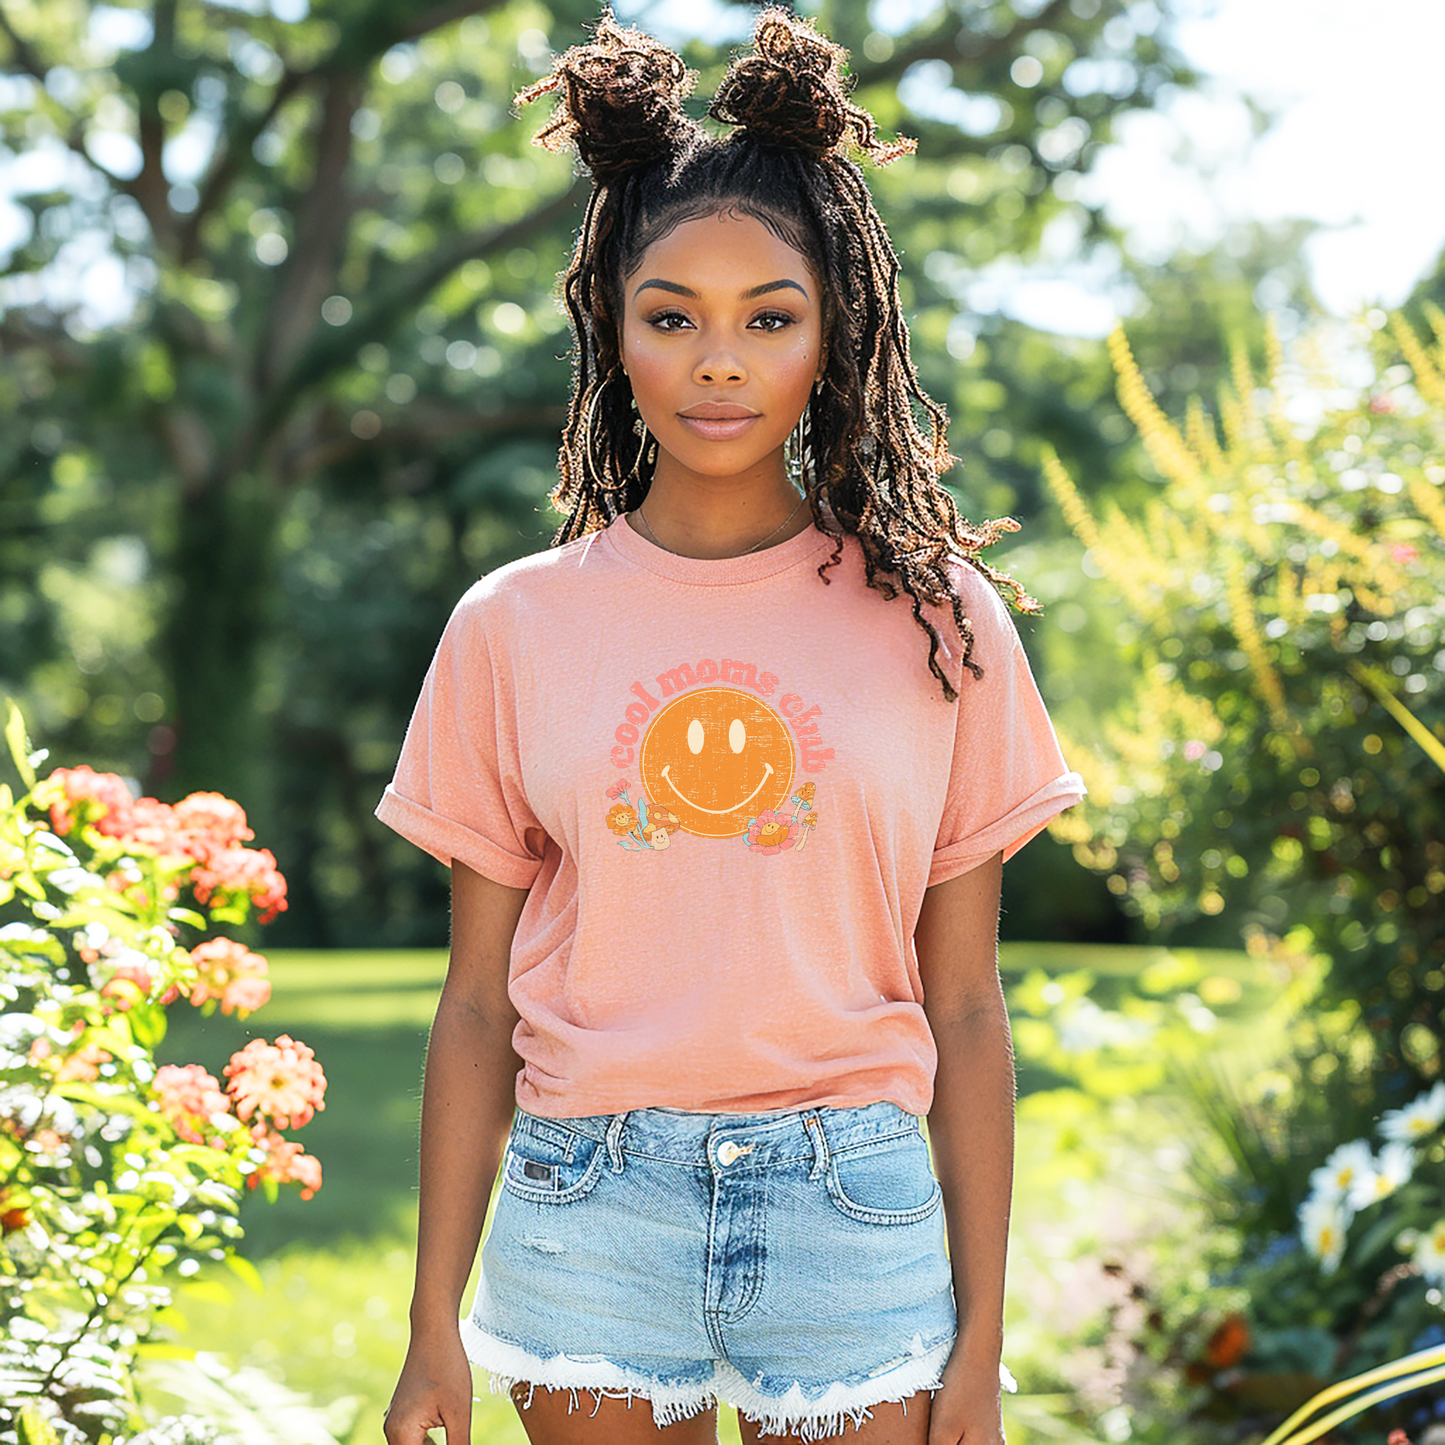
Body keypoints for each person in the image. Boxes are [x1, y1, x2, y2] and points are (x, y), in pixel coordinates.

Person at [377, 9, 1085, 1444]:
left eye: (770, 315)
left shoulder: (938, 620)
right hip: (589, 1202)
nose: (720, 359)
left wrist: (982, 1347)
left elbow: (963, 1006)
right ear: (612, 330)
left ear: (832, 334)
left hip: (860, 1210)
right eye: (672, 315)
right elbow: (470, 1007)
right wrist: (429, 1335)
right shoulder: (512, 625)